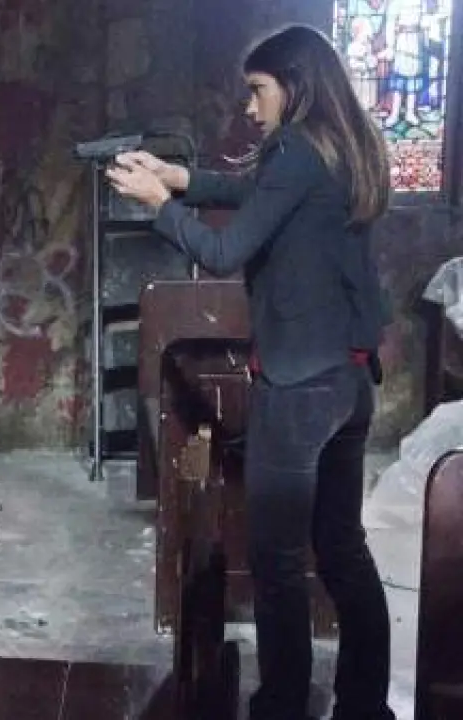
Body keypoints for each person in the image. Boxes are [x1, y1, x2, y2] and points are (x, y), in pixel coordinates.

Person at [106, 24, 394, 720]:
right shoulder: (344, 147)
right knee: (342, 549)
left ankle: (282, 707)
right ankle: (364, 707)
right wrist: (181, 178)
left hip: (298, 388)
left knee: (277, 562)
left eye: (259, 90)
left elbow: (224, 250)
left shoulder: (296, 148)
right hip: (348, 380)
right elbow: (262, 192)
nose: (250, 107)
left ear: (294, 86)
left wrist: (161, 208)